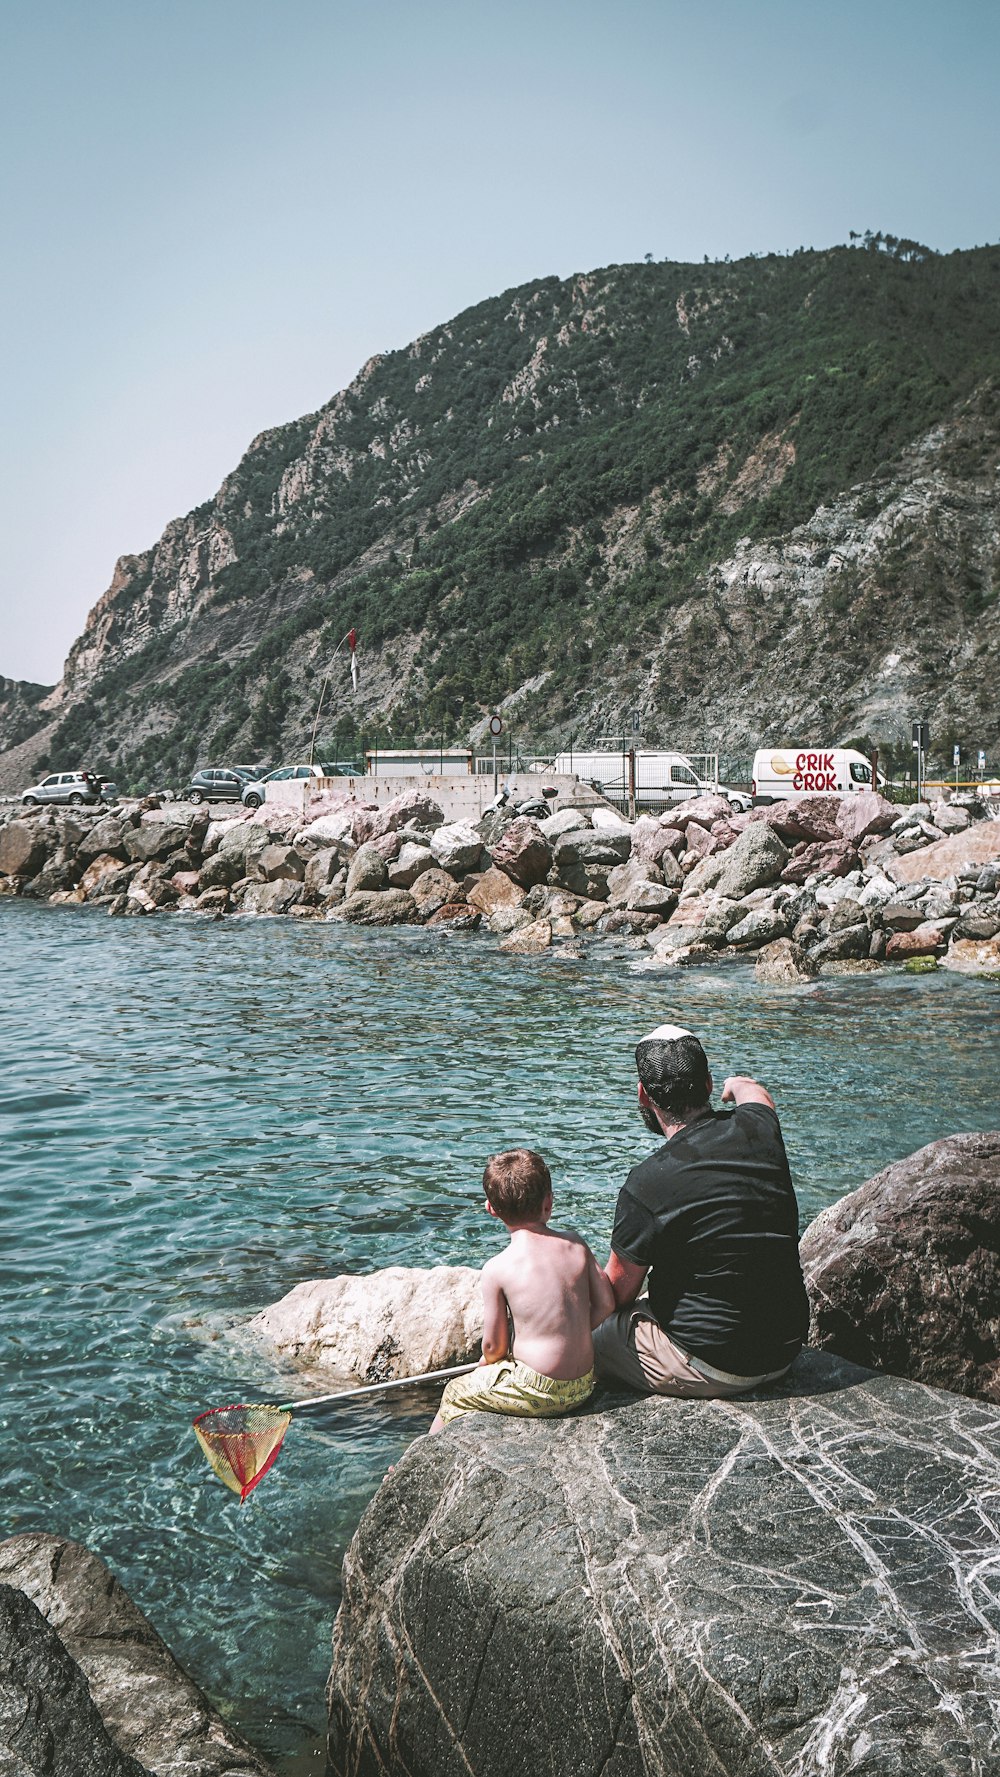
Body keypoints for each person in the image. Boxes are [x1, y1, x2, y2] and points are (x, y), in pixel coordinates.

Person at [593, 1024, 809, 1398]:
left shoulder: (648, 1182)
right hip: (785, 1348)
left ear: (644, 1095)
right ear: (707, 1085)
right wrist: (735, 1083)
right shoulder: (761, 1126)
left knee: (590, 1336)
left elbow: (616, 1294)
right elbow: (754, 1092)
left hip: (717, 1364)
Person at [430, 1148, 615, 1432]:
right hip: (584, 1384)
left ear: (491, 1209)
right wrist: (572, 1332)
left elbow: (494, 1347)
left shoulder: (498, 1268)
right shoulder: (576, 1244)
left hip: (542, 1391)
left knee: (454, 1393)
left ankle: (421, 1461)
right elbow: (606, 1305)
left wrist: (488, 1365)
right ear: (548, 1203)